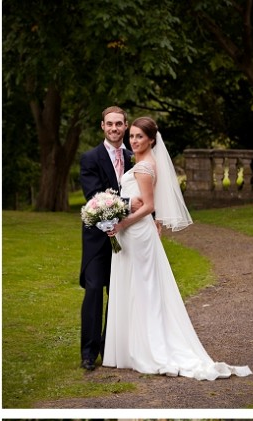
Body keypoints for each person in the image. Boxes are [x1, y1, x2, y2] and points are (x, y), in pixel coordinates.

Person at [103, 117, 251, 380]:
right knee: (139, 287)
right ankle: (133, 347)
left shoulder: (144, 168)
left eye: (139, 137)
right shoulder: (148, 163)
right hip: (136, 233)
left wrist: (122, 222)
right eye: (132, 136)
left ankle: (148, 349)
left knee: (142, 290)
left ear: (151, 140)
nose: (134, 140)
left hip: (136, 233)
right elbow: (153, 204)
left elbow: (148, 205)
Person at [78, 106, 141, 372]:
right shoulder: (90, 158)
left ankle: (112, 348)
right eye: (109, 124)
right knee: (94, 290)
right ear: (102, 126)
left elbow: (145, 189)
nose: (114, 128)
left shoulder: (134, 157)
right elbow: (94, 197)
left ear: (125, 126)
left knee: (119, 293)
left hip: (127, 236)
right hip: (97, 238)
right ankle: (89, 352)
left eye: (119, 124)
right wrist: (128, 203)